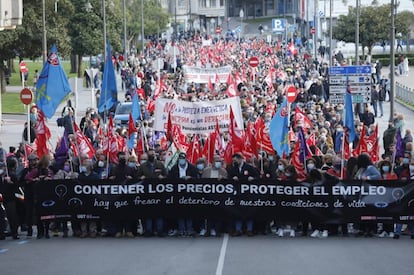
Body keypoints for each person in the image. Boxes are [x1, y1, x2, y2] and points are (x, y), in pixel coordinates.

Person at [227, 153, 260, 236]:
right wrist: (232, 178)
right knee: (238, 211)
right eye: (233, 160)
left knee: (249, 211)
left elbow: (258, 177)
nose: (234, 162)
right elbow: (228, 178)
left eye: (235, 160)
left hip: (248, 194)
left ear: (240, 159)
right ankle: (238, 229)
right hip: (237, 194)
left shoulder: (249, 168)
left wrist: (253, 178)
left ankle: (249, 229)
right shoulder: (233, 168)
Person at [136, 150, 167, 237]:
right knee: (148, 212)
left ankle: (159, 230)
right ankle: (148, 231)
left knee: (159, 212)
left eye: (153, 154)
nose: (151, 156)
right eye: (150, 155)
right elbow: (137, 177)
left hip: (158, 192)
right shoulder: (143, 166)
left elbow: (166, 176)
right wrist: (140, 178)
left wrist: (163, 177)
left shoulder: (160, 164)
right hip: (147, 193)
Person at [168, 152, 198, 237]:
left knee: (189, 212)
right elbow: (170, 180)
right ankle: (181, 229)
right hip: (178, 194)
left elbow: (197, 179)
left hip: (190, 194)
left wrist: (191, 178)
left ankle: (189, 229)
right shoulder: (174, 169)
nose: (182, 160)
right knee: (180, 212)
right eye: (180, 159)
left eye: (183, 159)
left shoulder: (192, 168)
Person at [24, 154, 54, 239]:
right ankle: (40, 232)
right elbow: (27, 177)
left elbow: (53, 177)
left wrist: (49, 178)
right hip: (38, 195)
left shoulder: (49, 170)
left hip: (47, 195)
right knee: (39, 214)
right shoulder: (36, 170)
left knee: (47, 214)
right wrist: (35, 179)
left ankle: (46, 231)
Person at [78, 159, 99, 238]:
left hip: (92, 197)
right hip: (82, 197)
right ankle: (84, 231)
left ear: (90, 166)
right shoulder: (80, 175)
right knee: (82, 215)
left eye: (85, 164)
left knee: (92, 214)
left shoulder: (95, 175)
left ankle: (92, 230)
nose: (84, 166)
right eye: (83, 164)